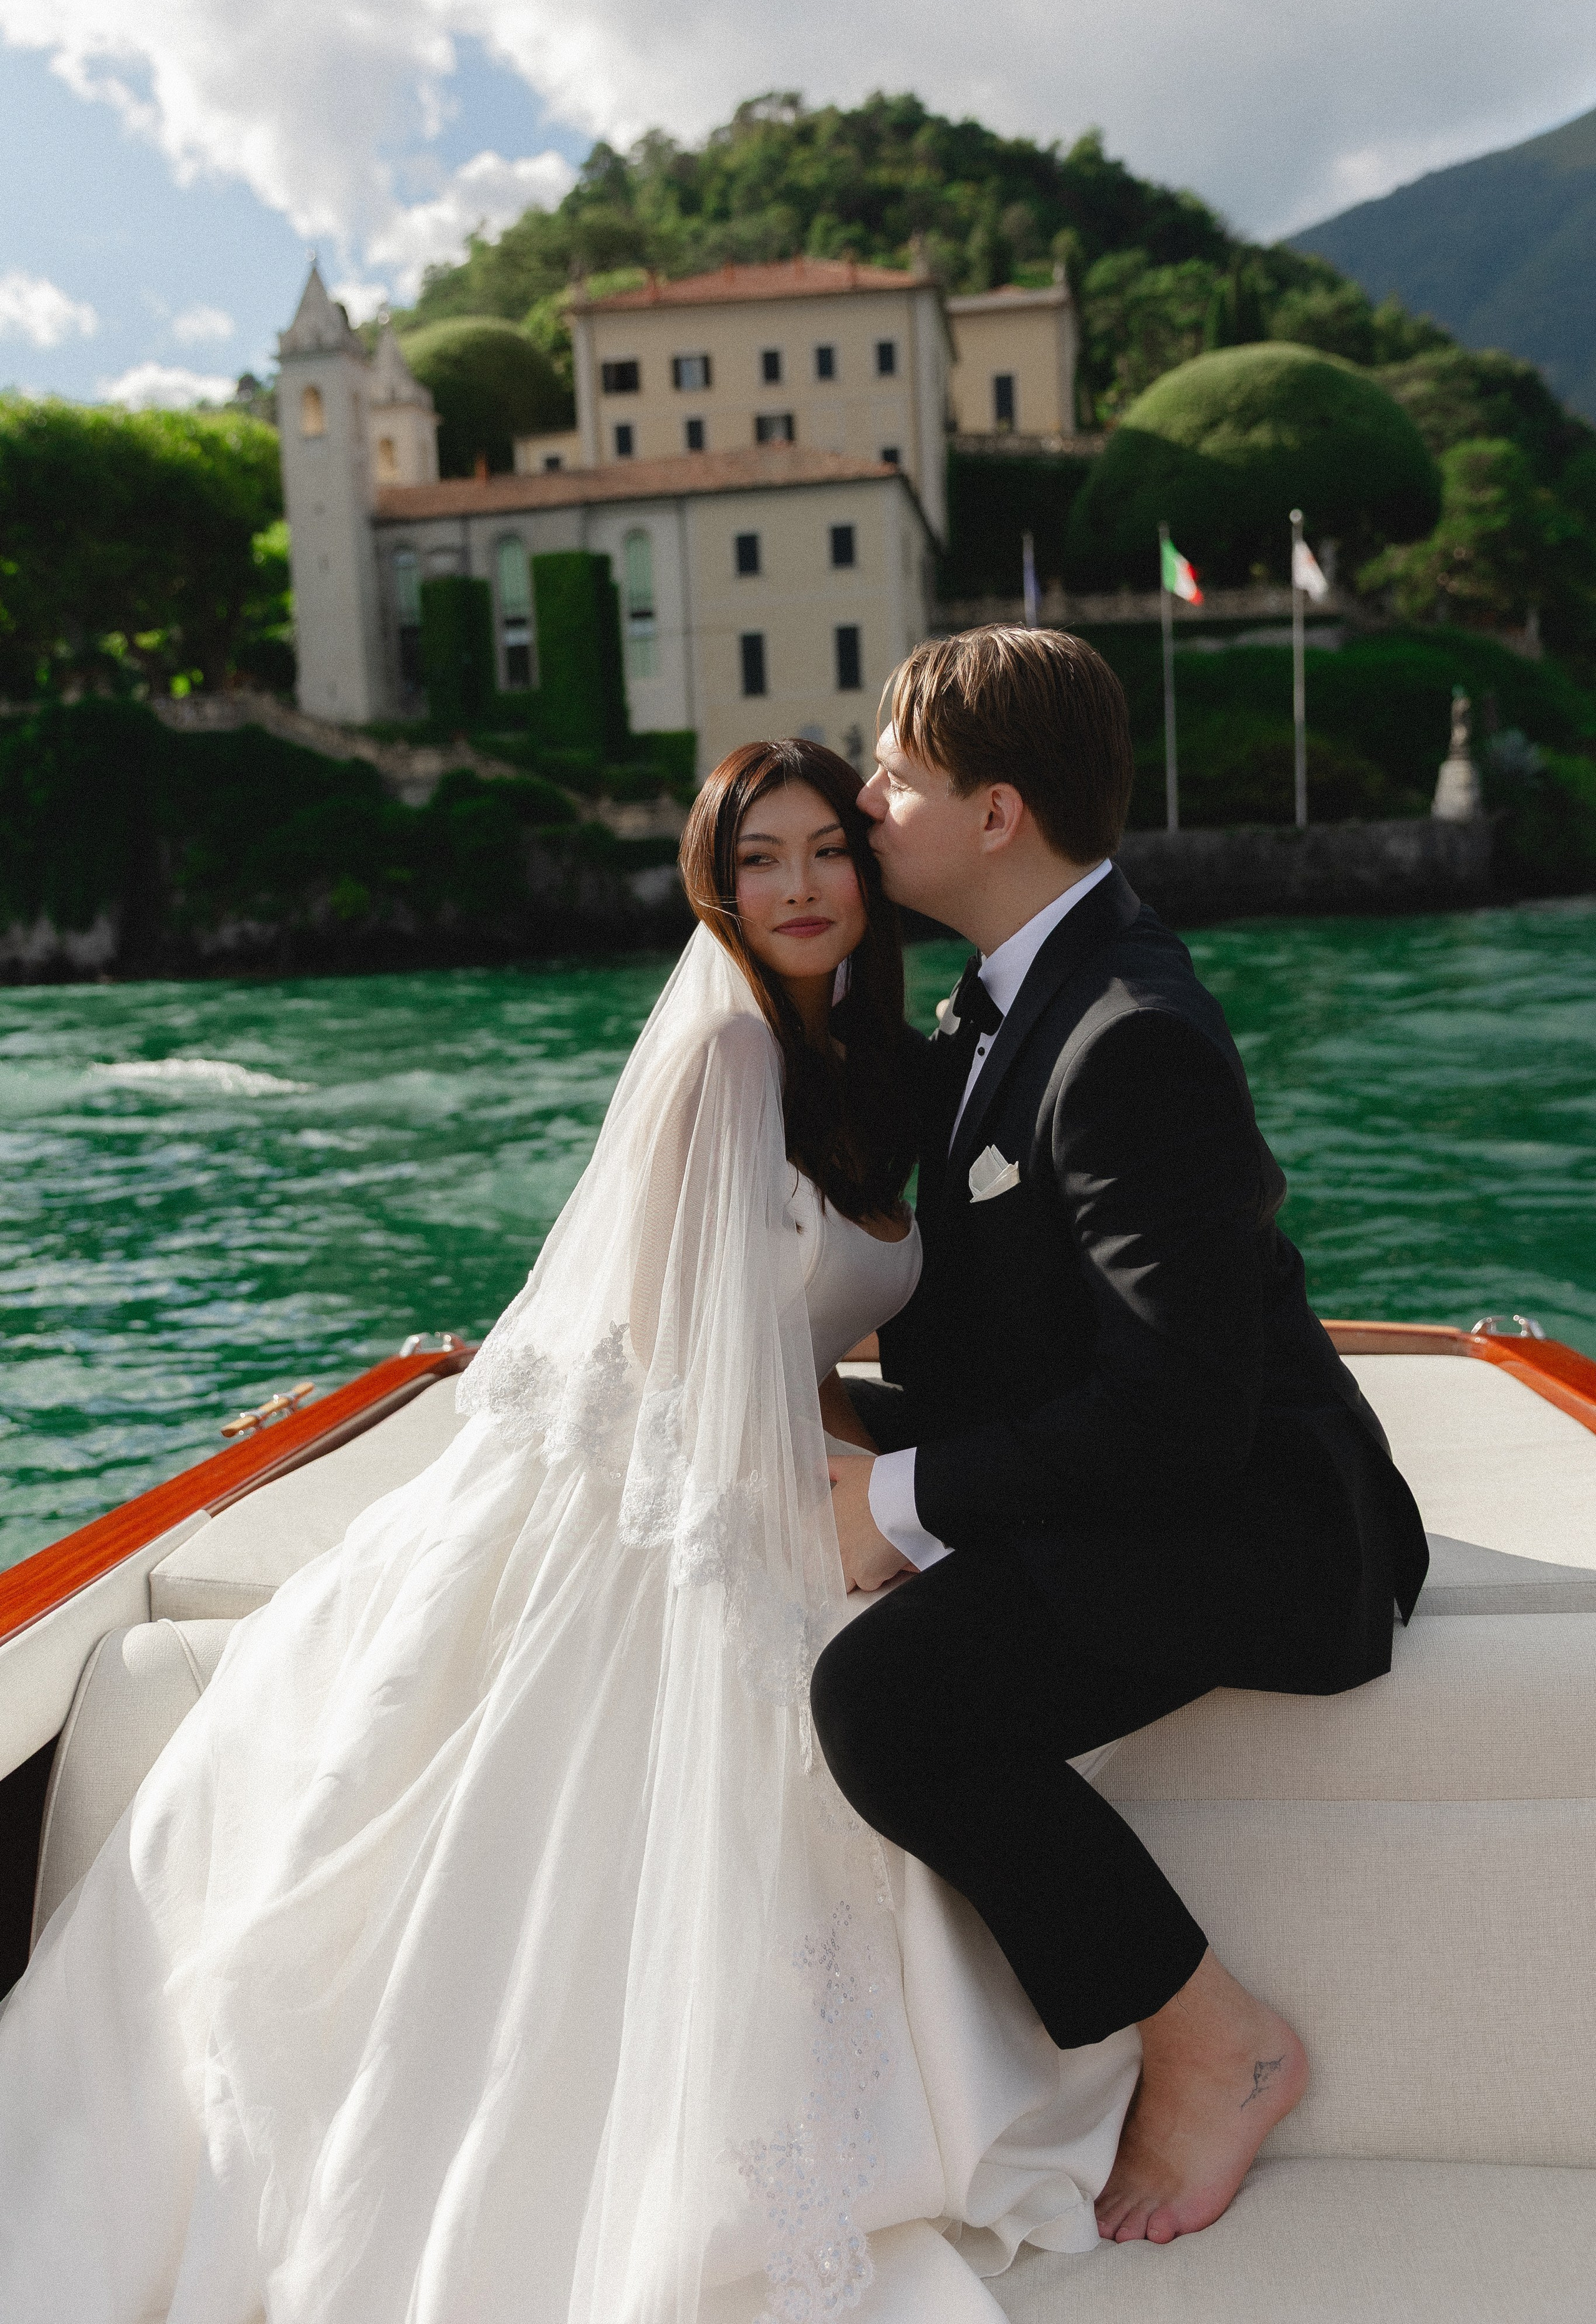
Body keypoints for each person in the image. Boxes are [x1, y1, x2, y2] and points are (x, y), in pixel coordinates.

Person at [0, 738, 1144, 2324]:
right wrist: (855, 1513)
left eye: (826, 848)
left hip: (769, 1450)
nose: (801, 886)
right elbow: (685, 1363)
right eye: (761, 859)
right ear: (714, 884)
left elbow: (792, 1333)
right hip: (674, 1488)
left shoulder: (857, 1059)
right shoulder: (733, 1057)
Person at [814, 627, 1430, 2246]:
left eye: (892, 773)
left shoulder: (1129, 1032)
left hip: (1271, 1515)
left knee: (888, 1700)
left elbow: (1181, 1409)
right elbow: (1018, 1344)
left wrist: (902, 1493)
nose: (866, 798)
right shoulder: (1002, 997)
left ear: (997, 810)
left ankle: (1216, 2040)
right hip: (1149, 1453)